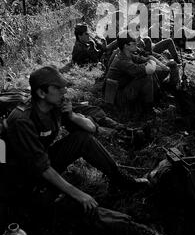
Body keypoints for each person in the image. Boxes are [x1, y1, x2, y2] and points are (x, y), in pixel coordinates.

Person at [5, 65, 149, 214]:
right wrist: (79, 194)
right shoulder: (22, 120)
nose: (65, 91)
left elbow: (91, 129)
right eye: (58, 88)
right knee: (61, 209)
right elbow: (41, 167)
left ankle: (121, 180)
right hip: (21, 175)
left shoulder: (54, 105)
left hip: (41, 161)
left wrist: (72, 116)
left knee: (82, 139)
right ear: (41, 93)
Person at [105, 32, 157, 115]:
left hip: (123, 89)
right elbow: (144, 69)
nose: (136, 44)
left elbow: (142, 60)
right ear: (126, 46)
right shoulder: (121, 60)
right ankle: (148, 110)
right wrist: (151, 63)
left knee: (149, 72)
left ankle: (153, 101)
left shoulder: (127, 55)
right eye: (133, 43)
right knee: (147, 77)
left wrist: (150, 61)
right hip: (118, 98)